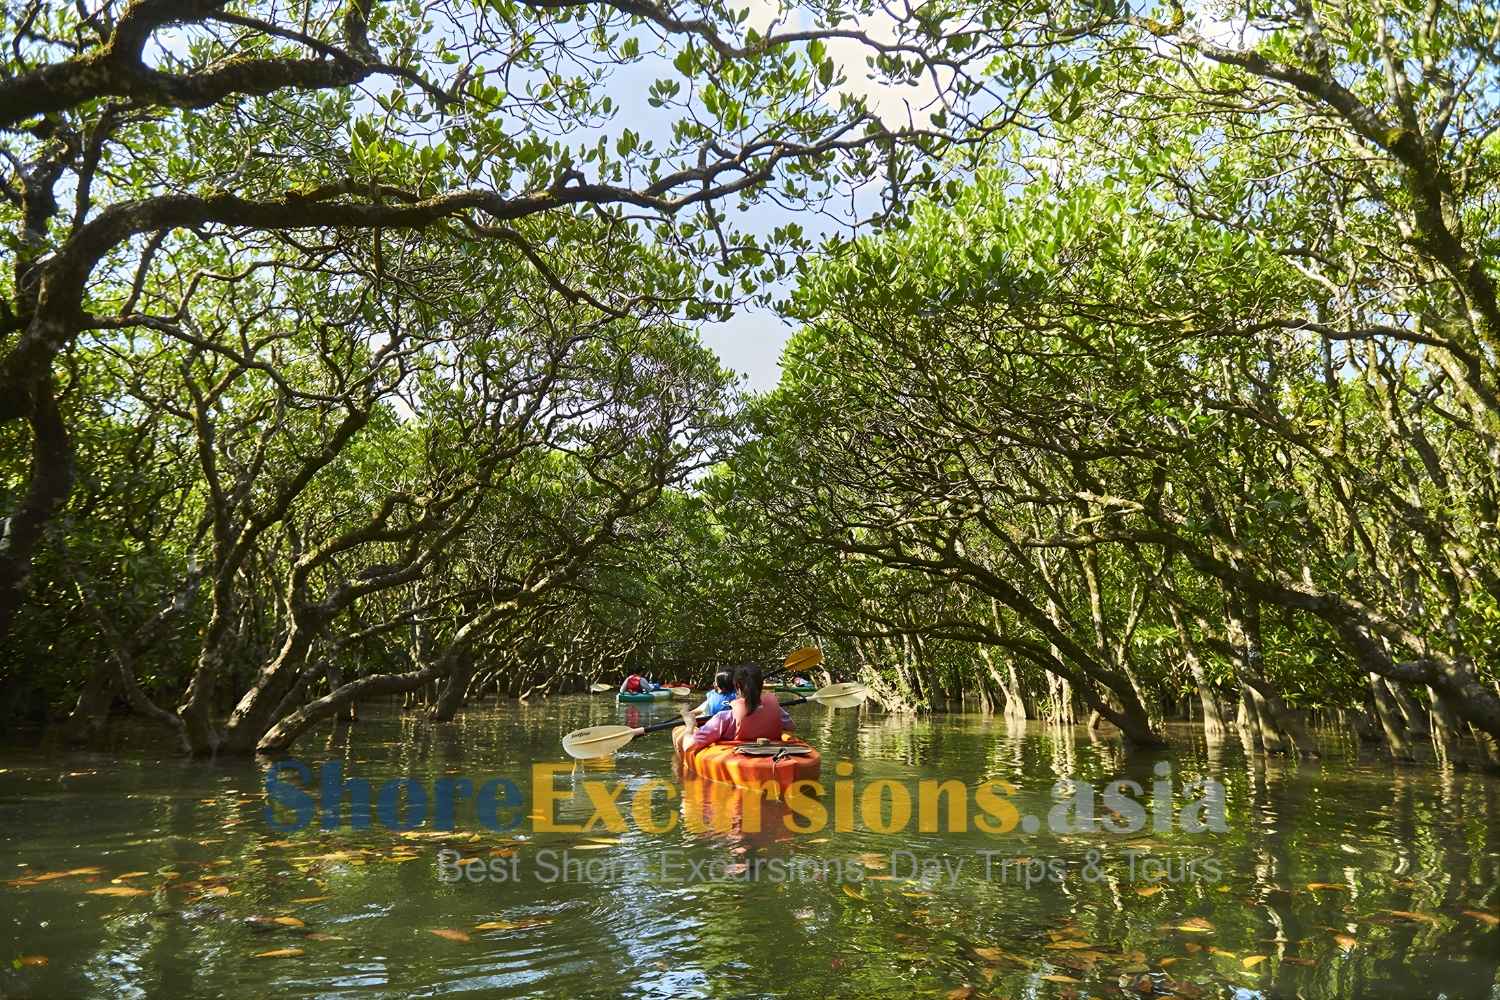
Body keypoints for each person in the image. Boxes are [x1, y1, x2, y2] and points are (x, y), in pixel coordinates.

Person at [675, 663, 792, 751]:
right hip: (773, 754)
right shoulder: (777, 710)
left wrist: (690, 726)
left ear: (737, 686)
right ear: (762, 685)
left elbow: (688, 746)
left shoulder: (724, 717)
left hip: (740, 758)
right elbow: (791, 727)